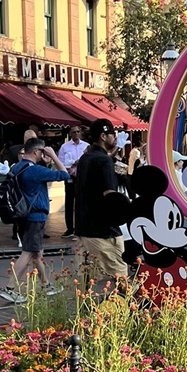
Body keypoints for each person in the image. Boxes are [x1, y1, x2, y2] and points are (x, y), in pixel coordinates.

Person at [0, 138, 69, 303]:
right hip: (36, 216)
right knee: (28, 252)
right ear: (37, 152)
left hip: (22, 214)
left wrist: (45, 163)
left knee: (36, 252)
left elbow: (33, 183)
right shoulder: (35, 170)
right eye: (42, 152)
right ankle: (10, 288)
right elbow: (64, 175)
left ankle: (46, 284)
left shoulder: (18, 167)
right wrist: (54, 156)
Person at [75, 119, 128, 282]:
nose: (115, 138)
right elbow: (110, 196)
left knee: (86, 278)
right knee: (120, 273)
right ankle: (124, 307)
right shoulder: (104, 161)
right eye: (113, 134)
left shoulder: (86, 158)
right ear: (103, 136)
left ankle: (83, 308)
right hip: (103, 231)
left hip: (83, 228)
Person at [58, 126, 89, 239]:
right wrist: (67, 168)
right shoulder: (64, 147)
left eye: (78, 131)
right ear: (70, 134)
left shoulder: (86, 146)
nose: (76, 134)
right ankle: (70, 228)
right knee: (69, 202)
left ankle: (81, 228)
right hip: (70, 176)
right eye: (73, 132)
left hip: (82, 177)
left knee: (81, 202)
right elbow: (60, 162)